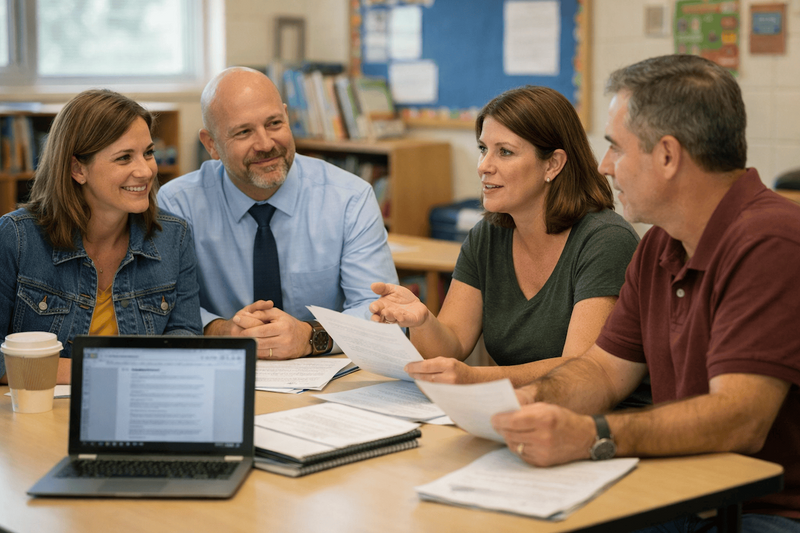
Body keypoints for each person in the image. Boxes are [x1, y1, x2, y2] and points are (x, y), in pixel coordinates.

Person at [491, 55, 800, 531]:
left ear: (668, 156)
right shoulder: (660, 241)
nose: (604, 166)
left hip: (764, 511)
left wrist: (592, 434)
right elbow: (604, 371)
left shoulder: (771, 241)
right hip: (683, 490)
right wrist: (530, 402)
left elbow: (740, 419)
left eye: (616, 147)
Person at [370, 86, 647, 399]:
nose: (483, 166)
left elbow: (581, 368)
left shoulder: (605, 240)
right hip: (519, 413)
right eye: (483, 149)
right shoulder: (487, 235)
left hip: (597, 419)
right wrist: (421, 321)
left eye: (505, 152)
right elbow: (452, 345)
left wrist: (475, 379)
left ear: (553, 164)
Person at [158, 67, 397, 360]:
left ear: (286, 116)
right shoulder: (178, 204)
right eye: (244, 132)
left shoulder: (350, 198)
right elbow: (163, 305)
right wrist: (225, 331)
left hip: (328, 375)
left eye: (274, 123)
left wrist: (311, 336)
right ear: (211, 144)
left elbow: (381, 309)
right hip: (221, 367)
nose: (266, 144)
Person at [0, 90, 202, 384]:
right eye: (124, 158)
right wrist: (98, 369)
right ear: (77, 169)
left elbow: (186, 337)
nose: (145, 171)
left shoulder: (174, 236)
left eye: (148, 152)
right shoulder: (16, 238)